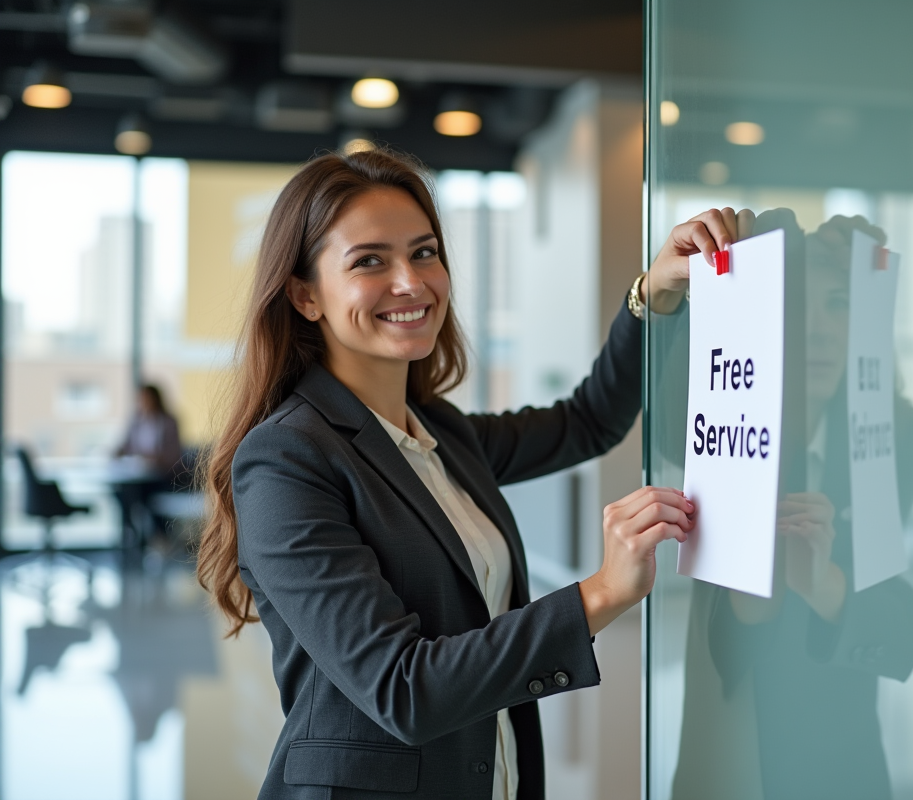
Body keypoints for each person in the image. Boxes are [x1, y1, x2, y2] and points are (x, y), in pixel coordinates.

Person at [195, 149, 741, 800]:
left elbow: (588, 421)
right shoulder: (287, 458)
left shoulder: (440, 433)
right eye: (370, 261)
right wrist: (601, 594)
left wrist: (652, 296)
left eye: (424, 252)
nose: (412, 282)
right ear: (304, 295)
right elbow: (404, 688)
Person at [672, 212, 913, 800]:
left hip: (839, 734)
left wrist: (825, 584)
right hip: (734, 725)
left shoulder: (901, 436)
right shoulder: (715, 420)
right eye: (798, 306)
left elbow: (897, 626)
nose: (816, 330)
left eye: (840, 304)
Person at [116, 384, 183, 476]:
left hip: (162, 472)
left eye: (147, 398)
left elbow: (174, 453)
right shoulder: (136, 421)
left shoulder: (168, 422)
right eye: (141, 399)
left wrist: (155, 458)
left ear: (155, 399)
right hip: (137, 470)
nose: (144, 402)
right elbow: (127, 446)